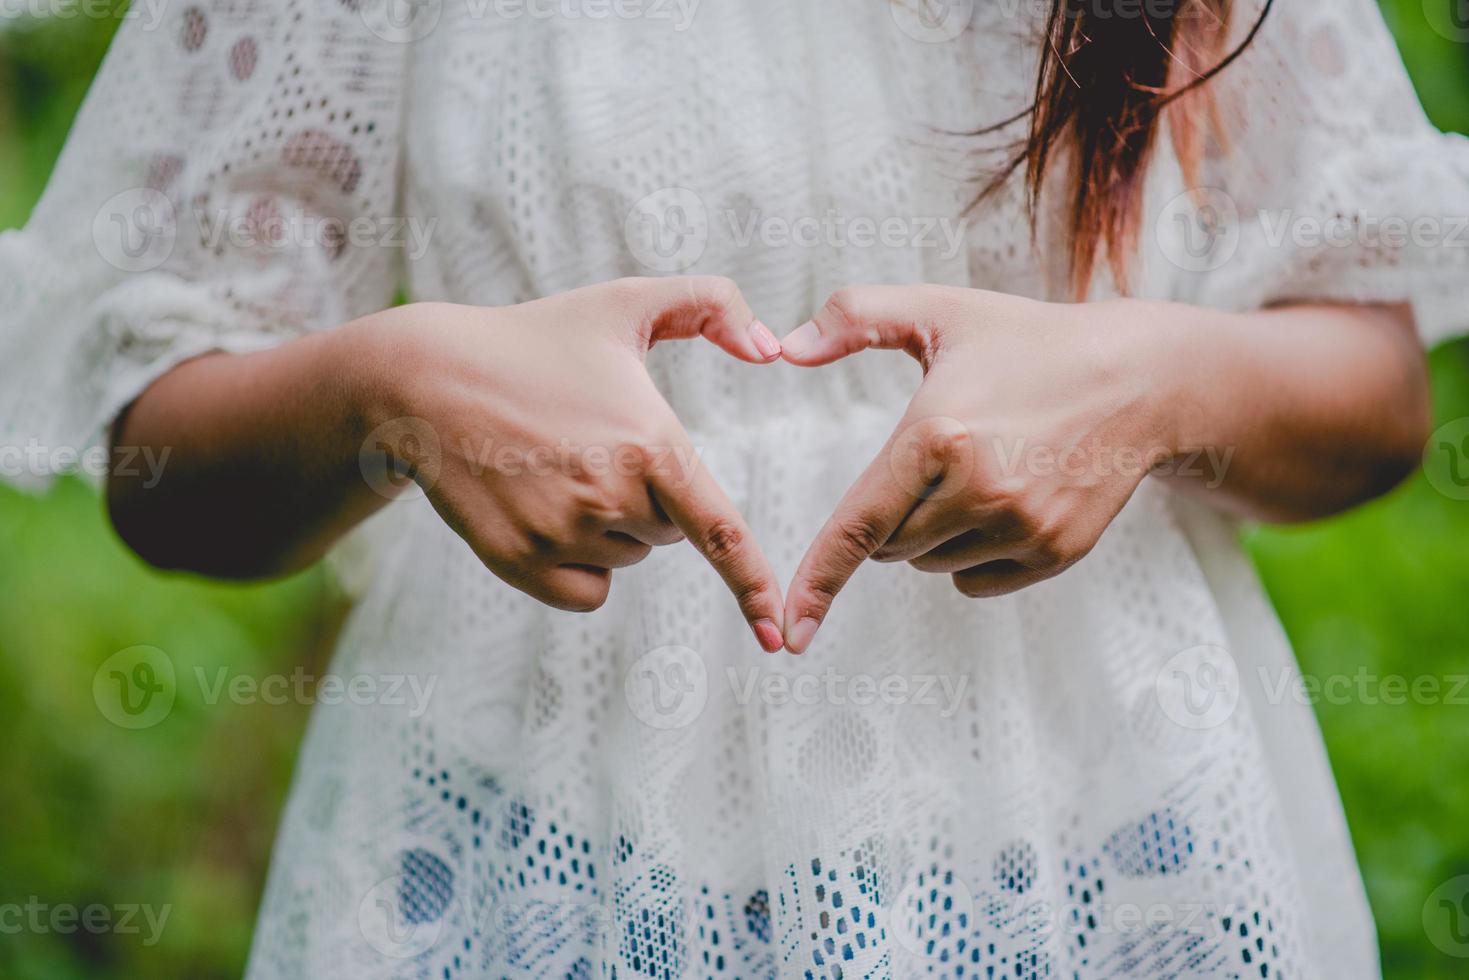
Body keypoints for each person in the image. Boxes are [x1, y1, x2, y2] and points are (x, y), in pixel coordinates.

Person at [2, 0, 1465, 975]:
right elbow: (163, 457)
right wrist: (395, 389)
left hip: (1101, 842)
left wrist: (1154, 383)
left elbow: (1372, 387)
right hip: (532, 836)